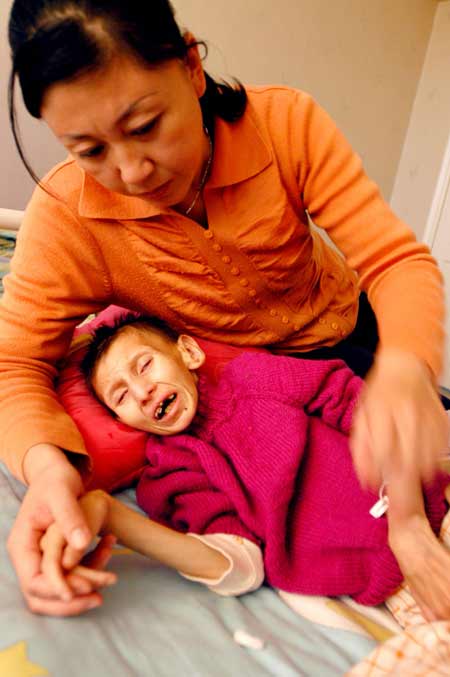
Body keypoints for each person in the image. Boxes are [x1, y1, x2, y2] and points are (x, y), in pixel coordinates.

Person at [3, 0, 449, 617]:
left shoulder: (285, 123)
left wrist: (403, 368)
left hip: (353, 340)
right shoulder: (66, 222)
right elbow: (14, 364)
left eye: (145, 125)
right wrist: (50, 472)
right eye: (88, 150)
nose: (131, 171)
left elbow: (395, 261)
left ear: (191, 64)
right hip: (247, 386)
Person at [39, 314, 450, 630]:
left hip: (428, 499)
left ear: (189, 353)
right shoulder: (171, 475)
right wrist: (113, 516)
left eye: (145, 366)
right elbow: (237, 563)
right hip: (393, 579)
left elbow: (357, 405)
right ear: (122, 421)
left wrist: (407, 509)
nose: (142, 392)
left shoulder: (255, 376)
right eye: (121, 396)